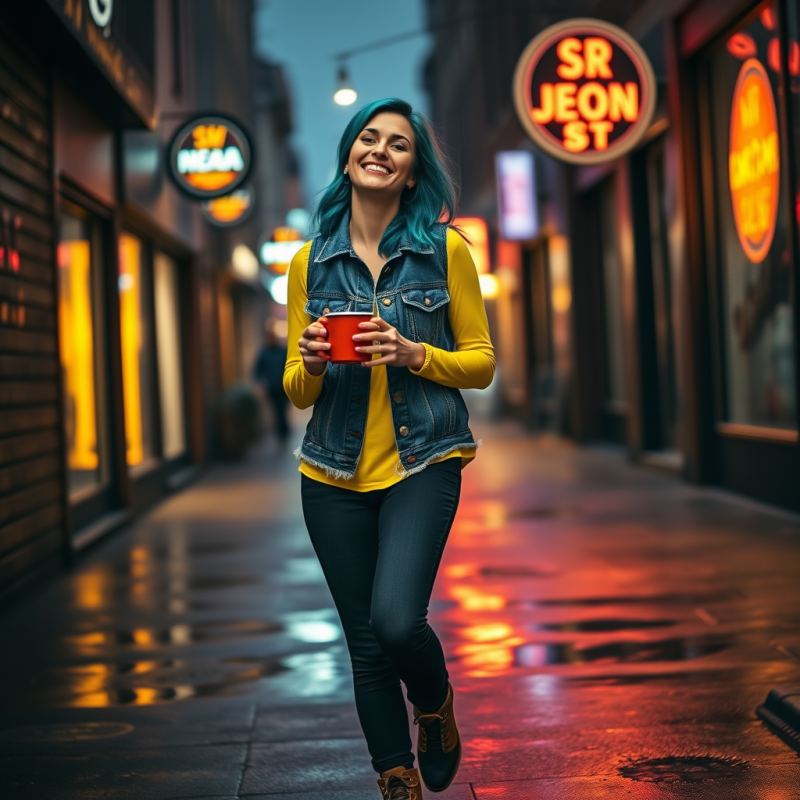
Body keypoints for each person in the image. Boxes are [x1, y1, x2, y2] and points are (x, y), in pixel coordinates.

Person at [284, 98, 494, 800]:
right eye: (368, 138)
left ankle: (434, 707)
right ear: (348, 155)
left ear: (412, 171)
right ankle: (394, 778)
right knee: (365, 644)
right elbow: (296, 390)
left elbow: (482, 363)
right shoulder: (309, 262)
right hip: (331, 475)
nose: (380, 149)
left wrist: (412, 353)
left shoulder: (445, 250)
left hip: (423, 461)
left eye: (398, 144)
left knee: (398, 621)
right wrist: (311, 358)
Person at [253, 320, 290, 444]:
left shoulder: (283, 351)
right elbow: (257, 370)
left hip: (284, 388)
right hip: (272, 388)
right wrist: (259, 383)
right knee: (277, 410)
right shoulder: (264, 353)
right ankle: (281, 432)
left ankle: (283, 431)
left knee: (283, 410)